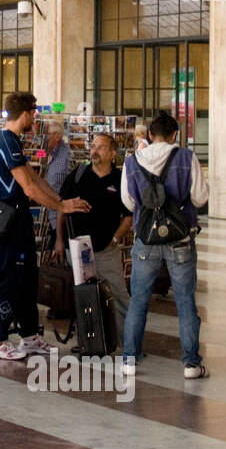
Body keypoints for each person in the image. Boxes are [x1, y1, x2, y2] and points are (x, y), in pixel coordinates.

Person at [0, 92, 90, 361]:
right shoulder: (6, 142)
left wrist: (63, 201)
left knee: (27, 277)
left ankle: (30, 335)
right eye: (33, 113)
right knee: (8, 278)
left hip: (20, 222)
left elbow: (37, 178)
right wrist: (60, 208)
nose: (36, 117)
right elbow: (30, 189)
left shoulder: (13, 142)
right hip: (9, 222)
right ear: (25, 114)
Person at [120, 111, 210, 379]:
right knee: (185, 302)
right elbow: (200, 197)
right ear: (174, 135)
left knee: (138, 301)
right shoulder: (186, 157)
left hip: (145, 240)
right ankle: (191, 364)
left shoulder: (132, 161)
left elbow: (128, 202)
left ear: (150, 135)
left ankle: (129, 360)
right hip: (180, 239)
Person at [54, 132, 133, 343]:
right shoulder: (79, 174)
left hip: (107, 250)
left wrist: (114, 240)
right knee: (85, 296)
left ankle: (129, 343)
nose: (94, 151)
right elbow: (62, 207)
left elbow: (128, 217)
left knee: (119, 297)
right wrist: (59, 240)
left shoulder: (120, 179)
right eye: (93, 147)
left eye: (100, 147)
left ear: (112, 153)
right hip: (79, 249)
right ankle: (89, 343)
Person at [42, 119, 72, 234]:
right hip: (48, 216)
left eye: (46, 135)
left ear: (57, 136)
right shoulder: (47, 151)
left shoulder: (66, 156)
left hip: (59, 219)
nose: (43, 138)